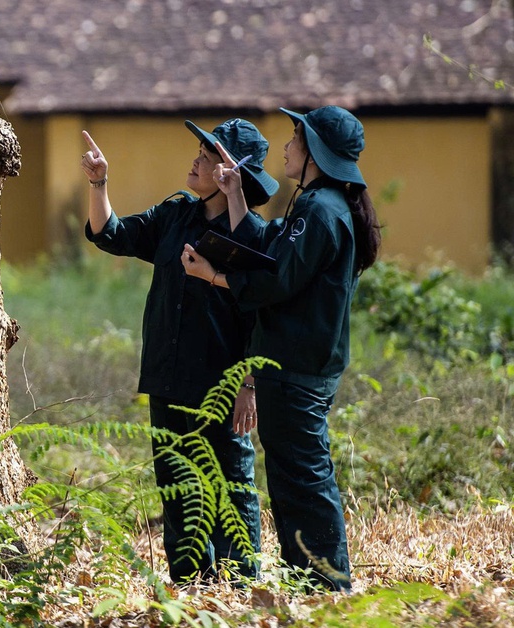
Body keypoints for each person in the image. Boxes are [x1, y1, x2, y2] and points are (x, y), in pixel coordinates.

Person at [180, 106, 382, 592]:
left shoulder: (320, 209)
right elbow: (271, 247)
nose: (287, 147)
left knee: (305, 482)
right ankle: (307, 584)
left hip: (295, 369)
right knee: (293, 481)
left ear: (314, 152)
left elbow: (277, 278)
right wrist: (234, 196)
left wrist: (217, 277)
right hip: (295, 368)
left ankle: (330, 586)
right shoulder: (318, 204)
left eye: (295, 138)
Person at [81, 119, 280, 584]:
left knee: (231, 484)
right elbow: (111, 232)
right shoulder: (175, 215)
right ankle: (192, 583)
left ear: (232, 171)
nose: (197, 159)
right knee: (177, 482)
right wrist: (99, 183)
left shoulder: (255, 234)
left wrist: (249, 384)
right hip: (168, 375)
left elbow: (261, 314)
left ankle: (240, 583)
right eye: (200, 151)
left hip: (223, 383)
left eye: (209, 156)